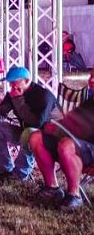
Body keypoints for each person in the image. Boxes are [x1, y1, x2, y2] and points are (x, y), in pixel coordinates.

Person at [29, 72, 94, 211]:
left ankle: (74, 195)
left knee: (66, 145)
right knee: (36, 138)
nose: (92, 80)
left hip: (89, 149)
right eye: (91, 76)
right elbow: (71, 121)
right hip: (78, 143)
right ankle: (52, 187)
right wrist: (57, 127)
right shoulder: (91, 99)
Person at [0, 66, 58, 182]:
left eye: (14, 83)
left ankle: (20, 175)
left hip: (45, 137)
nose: (12, 86)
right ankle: (4, 169)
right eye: (10, 83)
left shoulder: (44, 96)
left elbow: (36, 124)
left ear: (26, 81)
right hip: (24, 131)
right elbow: (0, 112)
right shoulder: (14, 94)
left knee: (29, 133)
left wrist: (18, 100)